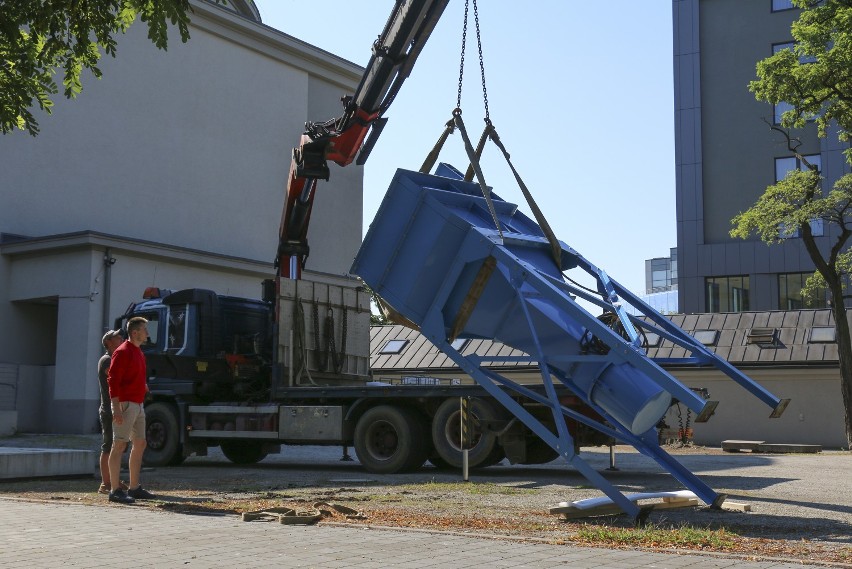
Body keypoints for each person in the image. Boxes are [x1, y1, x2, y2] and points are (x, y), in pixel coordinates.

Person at [107, 316, 155, 504]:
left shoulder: (138, 352)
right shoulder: (123, 351)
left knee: (140, 443)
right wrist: (116, 408)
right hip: (125, 404)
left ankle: (134, 487)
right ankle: (114, 490)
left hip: (138, 404)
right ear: (135, 332)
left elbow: (133, 374)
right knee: (119, 445)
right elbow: (113, 380)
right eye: (144, 329)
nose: (147, 333)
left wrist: (142, 385)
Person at [96, 330, 128, 494]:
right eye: (117, 337)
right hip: (109, 410)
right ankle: (106, 483)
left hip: (118, 409)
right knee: (108, 446)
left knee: (118, 446)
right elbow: (117, 379)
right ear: (108, 342)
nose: (121, 338)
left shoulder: (115, 358)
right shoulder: (107, 360)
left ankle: (113, 480)